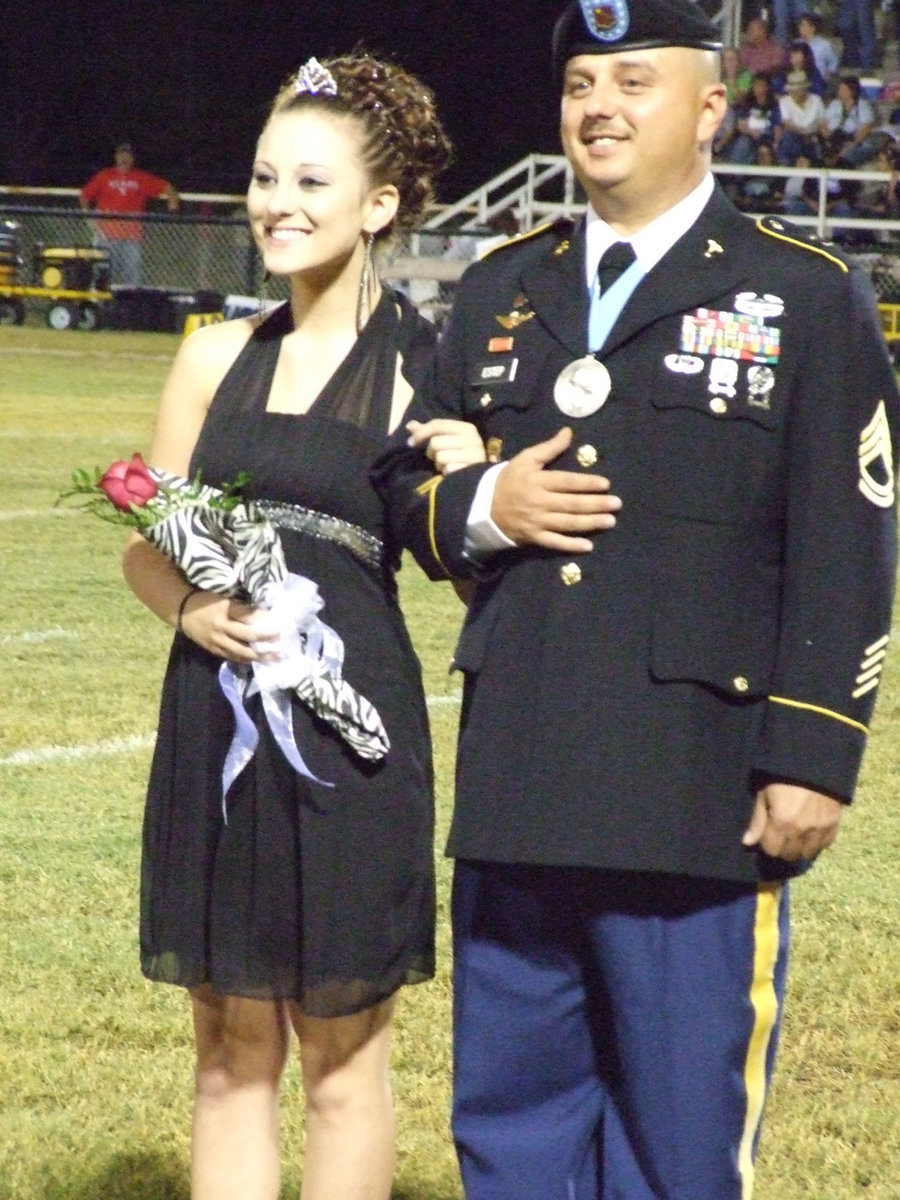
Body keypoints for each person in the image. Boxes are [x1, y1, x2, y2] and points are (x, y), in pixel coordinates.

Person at [374, 1, 900, 1197]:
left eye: (633, 81)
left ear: (710, 106)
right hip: (522, 776)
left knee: (679, 1144)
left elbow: (849, 539)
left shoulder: (804, 295)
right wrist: (481, 506)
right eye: (579, 85)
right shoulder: (503, 286)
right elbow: (406, 475)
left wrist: (815, 755)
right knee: (509, 1133)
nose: (598, 107)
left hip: (697, 799)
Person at [122, 54, 480, 1200]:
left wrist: (472, 485)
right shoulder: (212, 355)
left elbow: (477, 578)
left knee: (340, 1057)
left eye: (312, 183)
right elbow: (144, 540)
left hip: (351, 738)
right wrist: (192, 607)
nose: (278, 202)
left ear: (380, 206)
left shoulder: (434, 372)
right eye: (267, 175)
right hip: (211, 727)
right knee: (228, 1053)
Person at [79, 142, 179, 285]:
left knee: (131, 275)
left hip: (131, 237)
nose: (124, 158)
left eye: (128, 155)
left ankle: (129, 305)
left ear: (133, 159)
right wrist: (89, 218)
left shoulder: (140, 178)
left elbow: (168, 188)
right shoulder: (105, 176)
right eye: (121, 155)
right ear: (116, 157)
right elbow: (85, 196)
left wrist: (173, 201)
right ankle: (102, 305)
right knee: (103, 274)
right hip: (106, 236)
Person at [726, 70, 784, 162]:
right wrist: (751, 132)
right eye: (756, 85)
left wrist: (776, 143)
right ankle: (734, 172)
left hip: (767, 139)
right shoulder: (747, 103)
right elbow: (741, 124)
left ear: (767, 87)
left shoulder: (774, 105)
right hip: (750, 137)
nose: (758, 88)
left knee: (768, 150)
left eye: (761, 85)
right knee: (743, 143)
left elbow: (778, 127)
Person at [825, 74, 882, 165]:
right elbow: (824, 123)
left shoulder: (862, 105)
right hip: (833, 139)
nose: (839, 92)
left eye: (843, 89)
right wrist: (826, 139)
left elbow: (865, 127)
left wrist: (853, 143)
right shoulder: (834, 104)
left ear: (852, 91)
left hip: (850, 140)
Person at [776, 69, 828, 163]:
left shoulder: (816, 100)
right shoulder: (784, 101)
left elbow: (822, 122)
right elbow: (787, 123)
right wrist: (802, 131)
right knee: (789, 137)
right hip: (795, 136)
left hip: (814, 136)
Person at [738, 14, 789, 80]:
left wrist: (758, 72)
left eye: (752, 30)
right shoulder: (746, 49)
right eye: (749, 30)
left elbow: (776, 67)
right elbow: (741, 67)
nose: (749, 33)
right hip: (749, 82)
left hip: (767, 82)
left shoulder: (775, 48)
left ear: (762, 31)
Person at [797, 11, 840, 84]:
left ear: (812, 28)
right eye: (800, 25)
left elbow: (834, 64)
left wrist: (828, 77)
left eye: (803, 25)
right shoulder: (796, 44)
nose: (800, 28)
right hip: (799, 81)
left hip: (818, 82)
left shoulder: (824, 45)